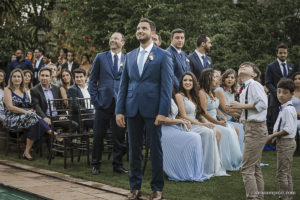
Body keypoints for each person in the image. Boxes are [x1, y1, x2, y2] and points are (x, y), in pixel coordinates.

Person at [115, 18, 173, 200]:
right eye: (138, 28)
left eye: (144, 28)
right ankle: (135, 187)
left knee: (155, 149)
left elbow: (166, 86)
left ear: (152, 33)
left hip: (154, 110)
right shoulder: (129, 55)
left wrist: (163, 112)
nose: (140, 30)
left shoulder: (163, 55)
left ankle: (157, 189)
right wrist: (119, 110)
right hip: (132, 109)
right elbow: (123, 85)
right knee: (134, 149)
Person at [89, 32, 127, 176]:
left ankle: (117, 165)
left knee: (119, 137)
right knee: (98, 136)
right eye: (111, 38)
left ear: (122, 42)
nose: (112, 40)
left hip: (120, 105)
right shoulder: (100, 57)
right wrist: (95, 100)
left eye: (116, 38)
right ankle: (95, 164)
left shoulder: (127, 59)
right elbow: (92, 81)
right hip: (102, 104)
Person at [175, 72, 227, 178]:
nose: (188, 82)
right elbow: (183, 115)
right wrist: (201, 124)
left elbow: (199, 114)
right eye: (185, 80)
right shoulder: (179, 95)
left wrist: (206, 122)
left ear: (194, 82)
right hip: (187, 124)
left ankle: (213, 166)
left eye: (190, 80)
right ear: (181, 82)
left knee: (213, 130)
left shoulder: (194, 96)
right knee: (207, 132)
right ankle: (204, 167)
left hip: (196, 122)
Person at [229, 62, 268, 200]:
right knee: (255, 168)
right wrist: (239, 111)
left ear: (254, 74)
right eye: (240, 66)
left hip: (255, 129)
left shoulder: (254, 84)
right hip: (251, 127)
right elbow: (251, 109)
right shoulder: (244, 88)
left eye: (247, 66)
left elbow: (263, 104)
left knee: (246, 168)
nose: (242, 66)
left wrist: (241, 106)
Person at [161, 88, 208, 182]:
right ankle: (184, 171)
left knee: (195, 137)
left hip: (174, 126)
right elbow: (162, 120)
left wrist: (183, 120)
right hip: (163, 129)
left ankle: (193, 171)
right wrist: (180, 121)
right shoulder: (159, 98)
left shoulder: (171, 98)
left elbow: (174, 116)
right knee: (193, 137)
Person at [4, 68, 51, 161]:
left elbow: (28, 105)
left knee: (34, 123)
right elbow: (10, 107)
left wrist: (31, 110)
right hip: (12, 118)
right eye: (14, 76)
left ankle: (26, 152)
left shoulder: (24, 90)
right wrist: (26, 112)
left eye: (19, 76)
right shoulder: (7, 90)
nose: (17, 78)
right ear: (11, 78)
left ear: (21, 78)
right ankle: (50, 132)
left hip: (26, 118)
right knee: (33, 118)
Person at [199, 69, 242, 171]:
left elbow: (215, 108)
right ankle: (219, 161)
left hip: (216, 119)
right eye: (214, 77)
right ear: (208, 79)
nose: (217, 80)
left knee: (234, 129)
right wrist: (218, 122)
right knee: (227, 131)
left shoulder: (212, 91)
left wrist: (222, 116)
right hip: (207, 121)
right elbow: (204, 112)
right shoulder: (202, 92)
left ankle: (231, 160)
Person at [266, 78, 297, 200]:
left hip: (286, 143)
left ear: (292, 94)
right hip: (284, 143)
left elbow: (288, 130)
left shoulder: (288, 110)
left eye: (285, 92)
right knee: (286, 172)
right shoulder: (283, 108)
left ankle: (285, 197)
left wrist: (272, 136)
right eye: (279, 92)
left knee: (282, 173)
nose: (281, 95)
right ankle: (287, 196)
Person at [265, 43, 295, 134]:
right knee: (276, 120)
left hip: (289, 98)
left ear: (287, 53)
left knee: (288, 119)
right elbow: (268, 82)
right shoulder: (271, 66)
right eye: (281, 53)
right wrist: (278, 94)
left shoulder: (291, 66)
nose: (283, 55)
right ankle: (275, 140)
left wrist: (288, 94)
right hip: (275, 98)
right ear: (277, 54)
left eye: (285, 53)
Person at [215, 68, 244, 151]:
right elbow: (226, 109)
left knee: (242, 127)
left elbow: (234, 108)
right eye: (228, 77)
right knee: (240, 128)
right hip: (221, 119)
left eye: (232, 78)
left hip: (230, 119)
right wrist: (242, 114)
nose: (230, 79)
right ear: (223, 79)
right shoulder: (219, 90)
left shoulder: (232, 92)